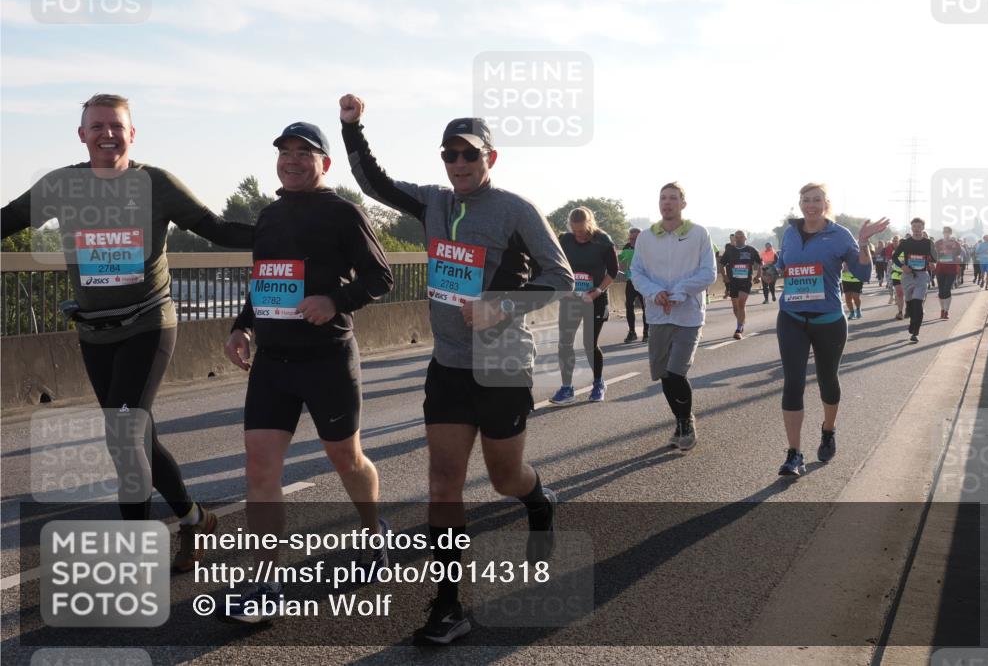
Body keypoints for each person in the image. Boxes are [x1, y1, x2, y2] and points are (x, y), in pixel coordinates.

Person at [339, 94, 573, 646]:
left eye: (470, 155)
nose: (459, 164)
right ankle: (448, 605)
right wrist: (353, 128)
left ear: (492, 158)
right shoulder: (434, 204)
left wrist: (501, 305)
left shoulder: (516, 209)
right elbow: (376, 184)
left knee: (502, 478)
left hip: (501, 363)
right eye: (450, 155)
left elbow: (560, 277)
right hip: (447, 364)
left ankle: (538, 501)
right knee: (443, 483)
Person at [0, 94, 254, 570]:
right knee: (139, 438)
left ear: (132, 134)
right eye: (97, 126)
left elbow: (215, 228)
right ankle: (196, 518)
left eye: (116, 126)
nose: (107, 134)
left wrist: (283, 232)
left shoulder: (155, 183)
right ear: (82, 135)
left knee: (122, 432)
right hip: (95, 333)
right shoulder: (62, 185)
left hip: (149, 321)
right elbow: (7, 220)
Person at [221, 122, 394, 622]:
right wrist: (242, 327)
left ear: (324, 164)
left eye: (304, 153)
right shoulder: (269, 215)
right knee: (260, 469)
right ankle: (265, 582)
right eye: (285, 152)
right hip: (273, 362)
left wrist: (333, 299)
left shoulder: (344, 212)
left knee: (347, 459)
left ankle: (371, 528)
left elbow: (380, 276)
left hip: (328, 359)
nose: (292, 160)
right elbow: (264, 282)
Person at [773, 183, 887, 477]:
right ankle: (794, 454)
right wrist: (771, 270)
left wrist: (863, 243)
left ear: (826, 203)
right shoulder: (789, 232)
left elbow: (862, 273)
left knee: (827, 380)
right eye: (806, 200)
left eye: (817, 200)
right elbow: (783, 263)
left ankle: (828, 429)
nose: (811, 205)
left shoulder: (839, 235)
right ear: (800, 203)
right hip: (792, 317)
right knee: (793, 382)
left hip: (829, 320)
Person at [630, 183, 717, 451]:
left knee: (676, 371)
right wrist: (655, 292)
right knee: (664, 375)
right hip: (657, 314)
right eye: (663, 198)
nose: (667, 203)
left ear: (683, 203)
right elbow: (637, 272)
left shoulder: (698, 234)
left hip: (688, 313)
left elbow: (708, 273)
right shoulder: (646, 237)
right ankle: (681, 420)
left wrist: (679, 292)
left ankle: (686, 424)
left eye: (673, 198)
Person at [549, 207, 618, 404]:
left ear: (590, 225)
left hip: (594, 299)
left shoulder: (603, 240)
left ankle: (598, 383)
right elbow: (557, 266)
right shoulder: (565, 240)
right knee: (565, 343)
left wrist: (598, 291)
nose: (578, 234)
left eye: (582, 230)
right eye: (575, 230)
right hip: (571, 299)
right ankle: (566, 388)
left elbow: (613, 271)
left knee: (589, 344)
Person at [893, 218, 937, 343]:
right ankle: (908, 309)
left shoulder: (928, 243)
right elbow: (895, 257)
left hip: (922, 276)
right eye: (914, 227)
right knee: (910, 303)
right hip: (908, 276)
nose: (917, 229)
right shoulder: (905, 243)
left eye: (919, 227)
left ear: (923, 228)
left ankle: (915, 332)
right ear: (911, 228)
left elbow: (935, 257)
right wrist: (903, 266)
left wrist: (933, 263)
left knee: (918, 304)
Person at [720, 231, 761, 339]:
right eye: (737, 237)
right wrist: (724, 276)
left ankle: (739, 329)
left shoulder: (751, 250)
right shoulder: (729, 250)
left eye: (741, 237)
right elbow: (721, 264)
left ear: (745, 238)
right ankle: (741, 321)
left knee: (741, 303)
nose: (738, 239)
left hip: (746, 281)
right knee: (735, 307)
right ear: (734, 239)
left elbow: (760, 263)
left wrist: (759, 276)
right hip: (733, 282)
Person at [619, 227, 648, 342]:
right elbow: (621, 265)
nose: (632, 241)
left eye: (635, 239)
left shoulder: (647, 247)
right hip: (631, 281)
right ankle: (632, 332)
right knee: (629, 306)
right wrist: (622, 265)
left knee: (646, 307)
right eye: (630, 239)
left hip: (644, 281)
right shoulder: (626, 247)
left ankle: (647, 332)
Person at [935, 226, 963, 320]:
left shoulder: (955, 243)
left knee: (947, 289)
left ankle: (946, 311)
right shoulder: (938, 243)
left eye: (948, 232)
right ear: (943, 233)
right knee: (941, 291)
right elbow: (933, 254)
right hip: (940, 268)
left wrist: (958, 259)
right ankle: (942, 309)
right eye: (945, 232)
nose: (946, 233)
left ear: (950, 233)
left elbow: (959, 254)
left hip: (951, 269)